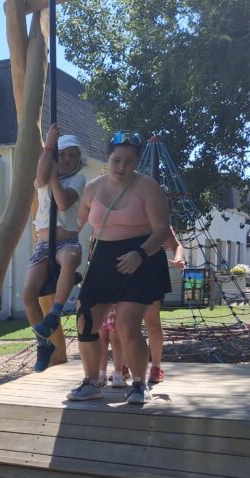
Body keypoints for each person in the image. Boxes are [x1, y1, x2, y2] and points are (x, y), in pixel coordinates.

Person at [69, 132, 171, 405]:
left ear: (136, 161)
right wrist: (58, 242)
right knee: (85, 320)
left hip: (141, 257)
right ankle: (92, 381)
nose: (122, 167)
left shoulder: (148, 187)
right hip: (103, 257)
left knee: (126, 325)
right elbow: (76, 224)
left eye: (128, 161)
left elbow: (162, 229)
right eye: (116, 160)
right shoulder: (93, 188)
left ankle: (138, 384)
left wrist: (140, 253)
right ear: (107, 158)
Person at [24, 124, 87, 372]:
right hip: (43, 244)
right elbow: (40, 178)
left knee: (70, 257)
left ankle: (54, 315)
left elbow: (62, 203)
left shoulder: (78, 179)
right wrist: (49, 146)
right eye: (63, 154)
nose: (67, 159)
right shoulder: (44, 178)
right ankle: (43, 344)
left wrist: (53, 176)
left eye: (72, 155)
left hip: (66, 242)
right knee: (28, 295)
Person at [144, 229, 187, 385]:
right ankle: (122, 365)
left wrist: (178, 258)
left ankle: (156, 366)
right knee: (124, 324)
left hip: (152, 269)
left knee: (152, 322)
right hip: (125, 266)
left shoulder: (158, 218)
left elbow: (176, 245)